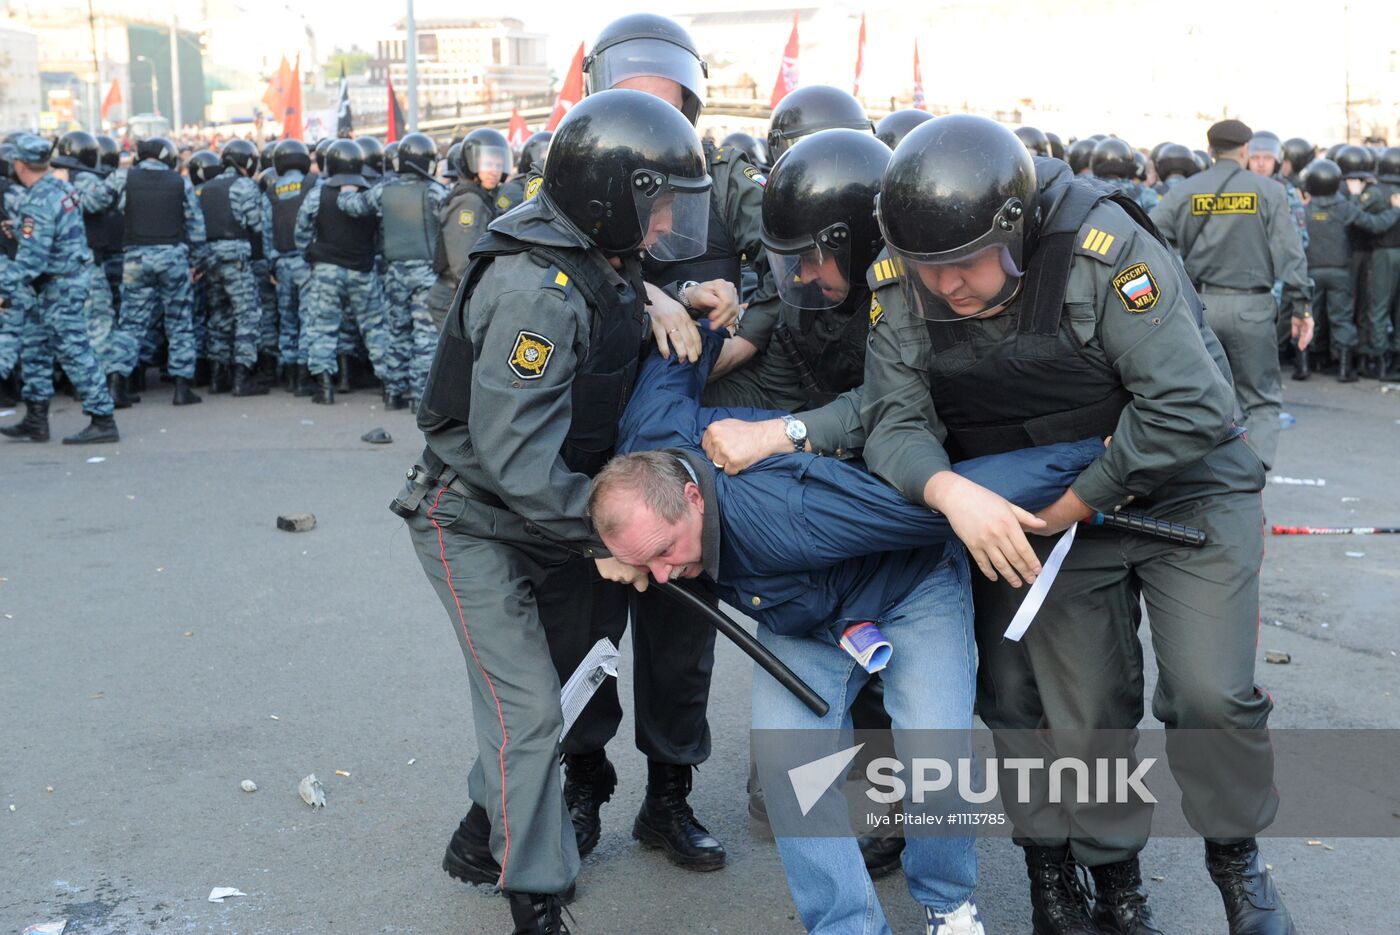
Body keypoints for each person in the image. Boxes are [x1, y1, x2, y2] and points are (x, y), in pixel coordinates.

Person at [862, 114, 1295, 935]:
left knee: (1209, 692)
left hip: (1182, 489)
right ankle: (1117, 889)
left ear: (1016, 228)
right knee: (1085, 713)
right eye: (929, 270)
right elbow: (894, 420)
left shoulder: (1104, 251)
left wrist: (1069, 503)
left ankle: (1238, 862)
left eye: (965, 266)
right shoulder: (905, 281)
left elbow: (1189, 405)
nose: (947, 288)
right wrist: (948, 490)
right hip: (1045, 515)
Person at [588, 327, 1105, 935]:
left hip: (908, 586)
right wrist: (699, 318)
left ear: (694, 499)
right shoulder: (648, 449)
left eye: (664, 553)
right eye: (646, 560)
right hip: (804, 620)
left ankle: (948, 904)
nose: (661, 575)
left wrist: (1098, 458)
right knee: (791, 773)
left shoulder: (789, 513)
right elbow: (668, 375)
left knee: (933, 760)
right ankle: (846, 926)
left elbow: (934, 505)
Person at [391, 89, 718, 935]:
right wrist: (615, 535)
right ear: (615, 195)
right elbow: (518, 462)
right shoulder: (535, 291)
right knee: (528, 709)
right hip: (474, 520)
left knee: (560, 691)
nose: (668, 221)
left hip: (544, 516)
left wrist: (670, 299)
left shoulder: (597, 254)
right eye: (660, 203)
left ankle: (477, 835)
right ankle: (534, 899)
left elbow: (616, 312)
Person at [1152, 119, 1312, 470]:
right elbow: (1290, 254)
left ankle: (1213, 482)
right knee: (1262, 401)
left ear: (1210, 151)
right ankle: (1250, 480)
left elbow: (1148, 238)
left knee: (1206, 399)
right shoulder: (1268, 191)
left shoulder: (1184, 192)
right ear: (1245, 150)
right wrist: (1302, 308)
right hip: (1252, 306)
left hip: (1200, 307)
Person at [0, 134, 118, 444]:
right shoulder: (61, 188)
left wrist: (4, 286)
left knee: (75, 352)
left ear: (19, 164)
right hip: (57, 282)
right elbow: (55, 233)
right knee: (35, 349)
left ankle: (103, 419)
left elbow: (30, 262)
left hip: (57, 286)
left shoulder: (37, 201)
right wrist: (20, 229)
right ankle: (36, 418)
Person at [83, 135, 207, 407]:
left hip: (136, 259)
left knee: (131, 324)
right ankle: (182, 388)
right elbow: (196, 228)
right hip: (173, 257)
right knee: (179, 322)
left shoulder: (123, 177)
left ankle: (117, 385)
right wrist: (197, 262)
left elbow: (91, 204)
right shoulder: (180, 182)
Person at [337, 132, 446, 409]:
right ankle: (419, 396)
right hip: (426, 275)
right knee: (425, 336)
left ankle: (393, 392)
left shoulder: (384, 190)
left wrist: (345, 188)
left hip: (394, 273)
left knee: (396, 332)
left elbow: (351, 206)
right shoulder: (435, 192)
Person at [293, 139, 397, 405]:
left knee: (322, 328)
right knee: (375, 328)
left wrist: (309, 255)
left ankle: (325, 387)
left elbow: (301, 231)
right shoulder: (371, 193)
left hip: (326, 269)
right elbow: (383, 236)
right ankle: (389, 387)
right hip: (362, 269)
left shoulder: (318, 193)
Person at [1301, 157, 1400, 381]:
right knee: (1342, 318)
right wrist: (1395, 211)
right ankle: (1345, 369)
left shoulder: (1303, 209)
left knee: (1310, 315)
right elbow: (1374, 225)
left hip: (1311, 271)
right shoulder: (1344, 207)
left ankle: (1305, 364)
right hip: (1340, 271)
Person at [196, 138, 267, 397]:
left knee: (218, 316)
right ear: (247, 162)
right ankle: (242, 377)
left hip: (210, 259)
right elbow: (256, 225)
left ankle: (217, 376)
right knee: (246, 315)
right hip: (235, 259)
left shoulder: (207, 187)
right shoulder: (245, 186)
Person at [424, 128, 510, 332]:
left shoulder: (481, 196)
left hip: (461, 294)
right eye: (488, 164)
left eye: (498, 165)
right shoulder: (469, 201)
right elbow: (463, 265)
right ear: (472, 164)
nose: (494, 170)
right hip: (454, 297)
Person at [264, 139, 314, 395]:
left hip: (282, 262)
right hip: (306, 263)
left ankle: (291, 375)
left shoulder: (272, 190)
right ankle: (305, 378)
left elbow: (266, 232)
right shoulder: (313, 184)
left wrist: (271, 265)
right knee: (307, 317)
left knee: (288, 319)